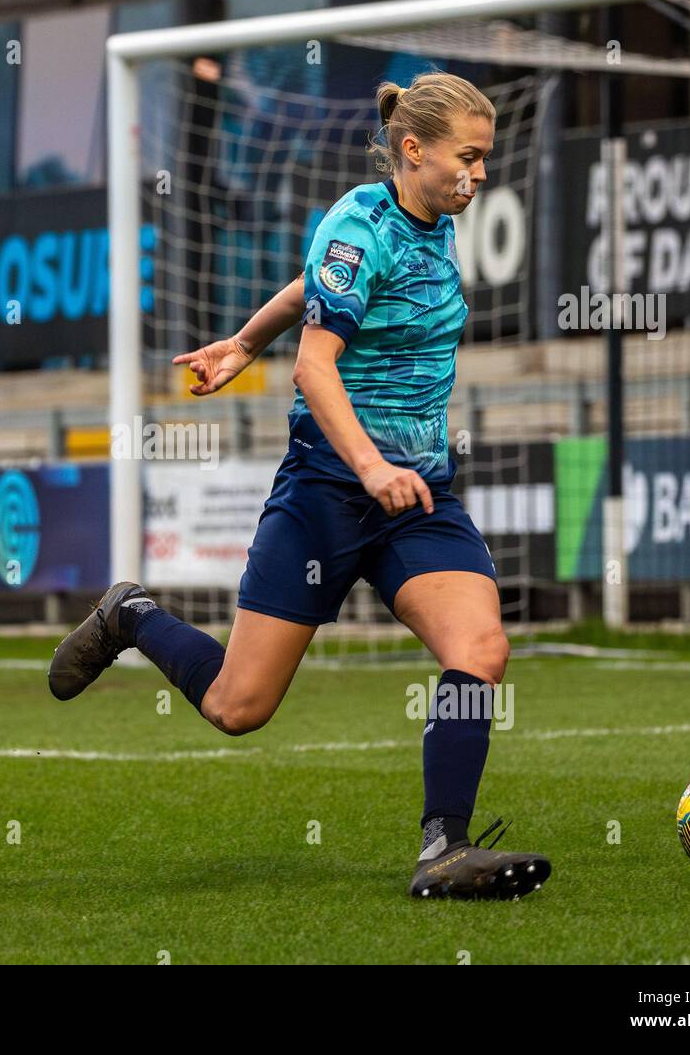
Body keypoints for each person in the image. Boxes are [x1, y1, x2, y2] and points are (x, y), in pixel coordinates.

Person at [49, 71, 550, 899]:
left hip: (417, 499)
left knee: (480, 651)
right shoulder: (357, 223)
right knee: (238, 707)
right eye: (469, 158)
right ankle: (130, 615)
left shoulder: (433, 225)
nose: (481, 175)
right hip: (329, 492)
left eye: (486, 159)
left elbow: (315, 293)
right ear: (413, 150)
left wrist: (245, 339)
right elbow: (318, 366)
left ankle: (444, 847)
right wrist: (369, 464)